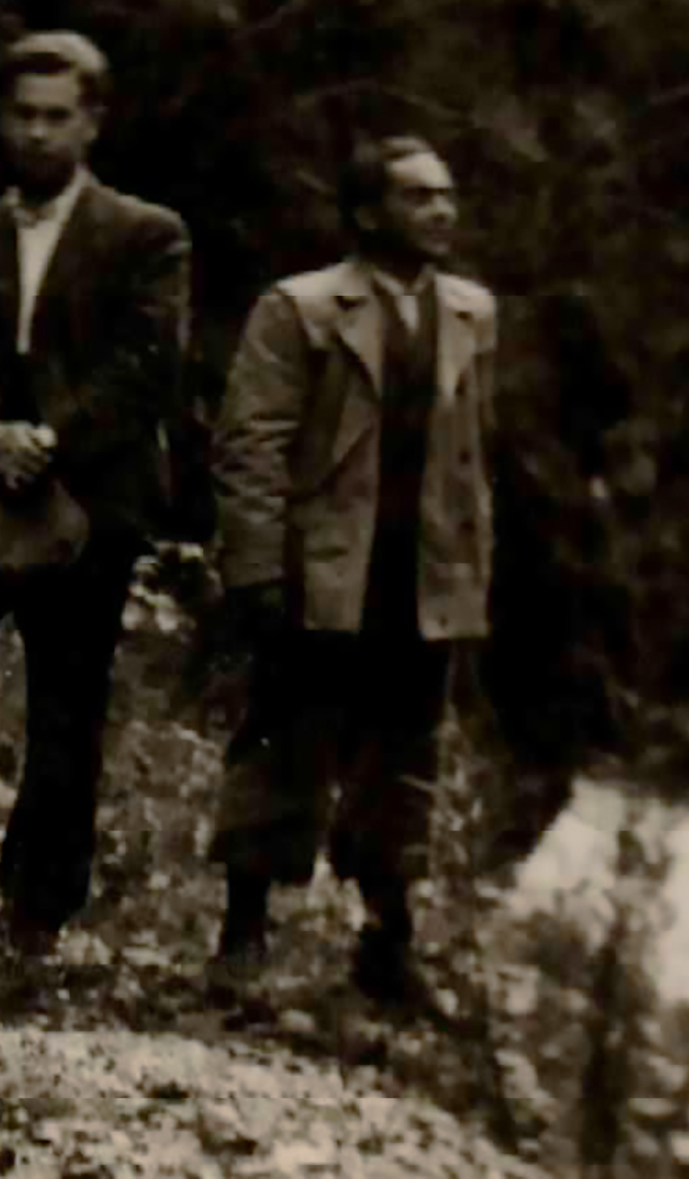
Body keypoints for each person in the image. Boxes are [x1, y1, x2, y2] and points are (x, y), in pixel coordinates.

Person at [0, 31, 193, 950]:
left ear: (90, 123)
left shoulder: (146, 234)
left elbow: (145, 364)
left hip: (89, 495)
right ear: (0, 118)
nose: (36, 132)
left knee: (67, 703)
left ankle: (37, 912)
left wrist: (50, 439)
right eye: (22, 114)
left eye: (56, 116)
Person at [208, 135, 499, 1013]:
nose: (440, 211)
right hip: (324, 568)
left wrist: (471, 572)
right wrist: (257, 569)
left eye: (445, 195)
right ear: (367, 213)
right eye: (417, 196)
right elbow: (250, 444)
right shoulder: (301, 308)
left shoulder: (469, 313)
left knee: (405, 759)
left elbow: (472, 457)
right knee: (283, 746)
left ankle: (387, 941)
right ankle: (241, 935)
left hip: (421, 574)